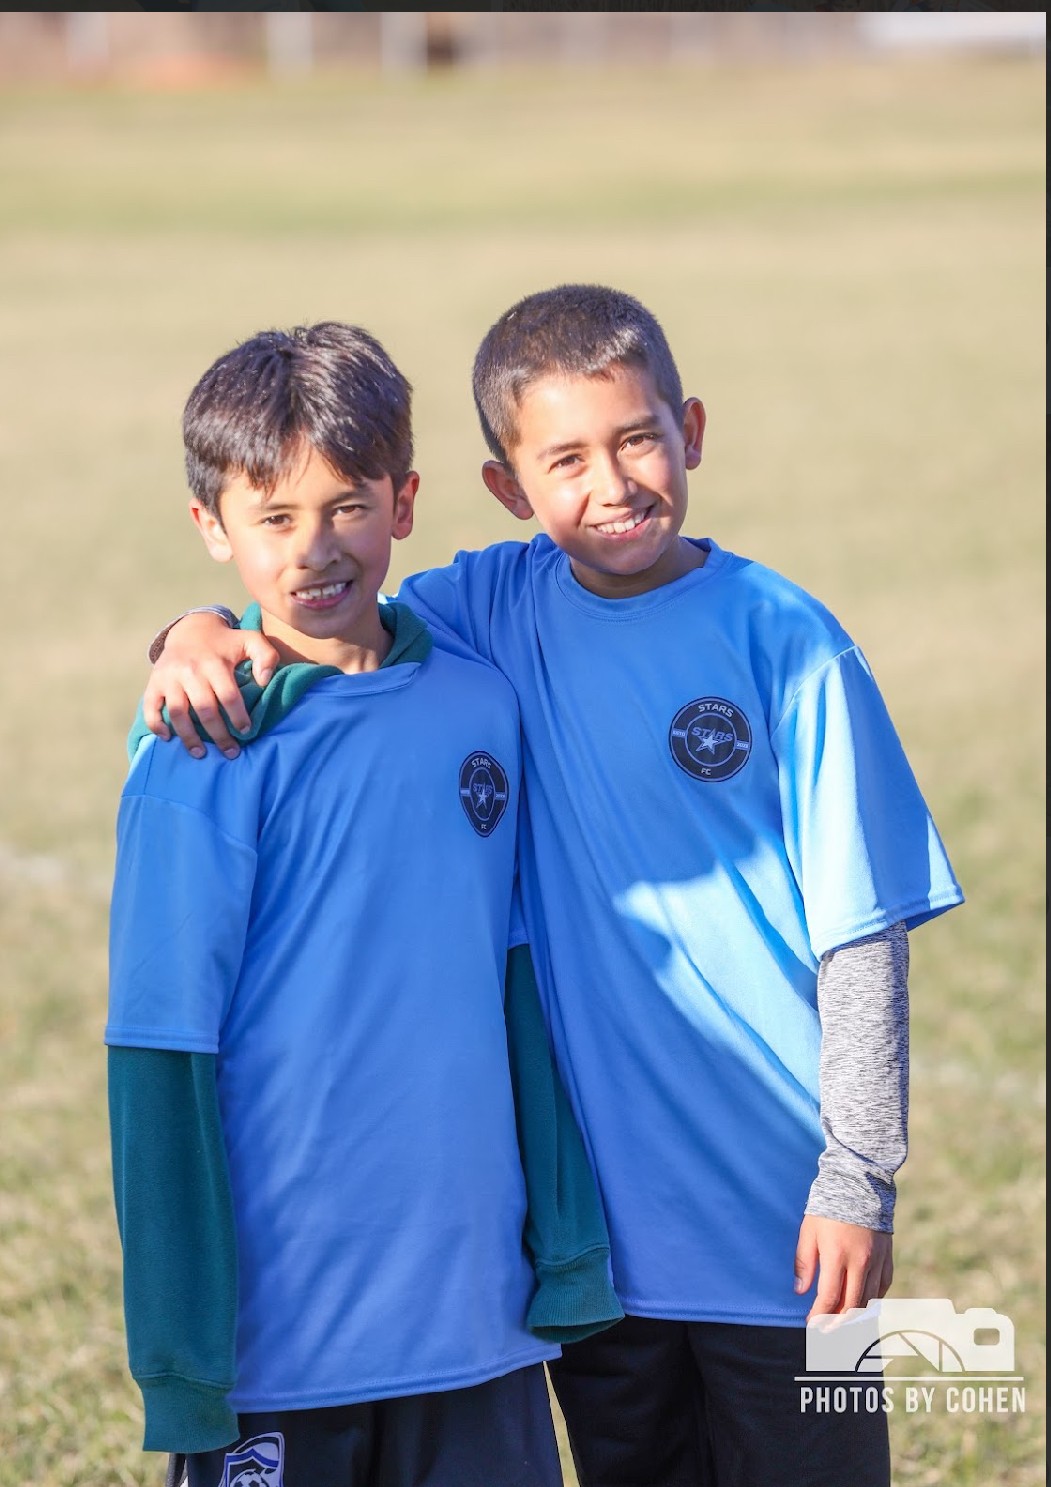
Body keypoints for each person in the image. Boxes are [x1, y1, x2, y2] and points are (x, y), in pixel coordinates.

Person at [141, 286, 965, 1487]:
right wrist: (191, 630)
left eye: (636, 439)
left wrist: (857, 1175)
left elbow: (862, 935)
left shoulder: (787, 639)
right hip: (596, 1256)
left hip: (792, 1227)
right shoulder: (491, 608)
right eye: (565, 459)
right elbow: (326, 603)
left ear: (689, 429)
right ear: (506, 487)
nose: (611, 484)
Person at [106, 320, 624, 1487]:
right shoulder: (203, 744)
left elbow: (518, 986)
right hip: (281, 1340)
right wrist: (182, 1357)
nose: (315, 547)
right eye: (274, 517)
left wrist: (565, 1250)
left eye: (347, 505)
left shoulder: (479, 705)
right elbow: (159, 1051)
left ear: (405, 500)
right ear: (211, 527)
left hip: (477, 1317)